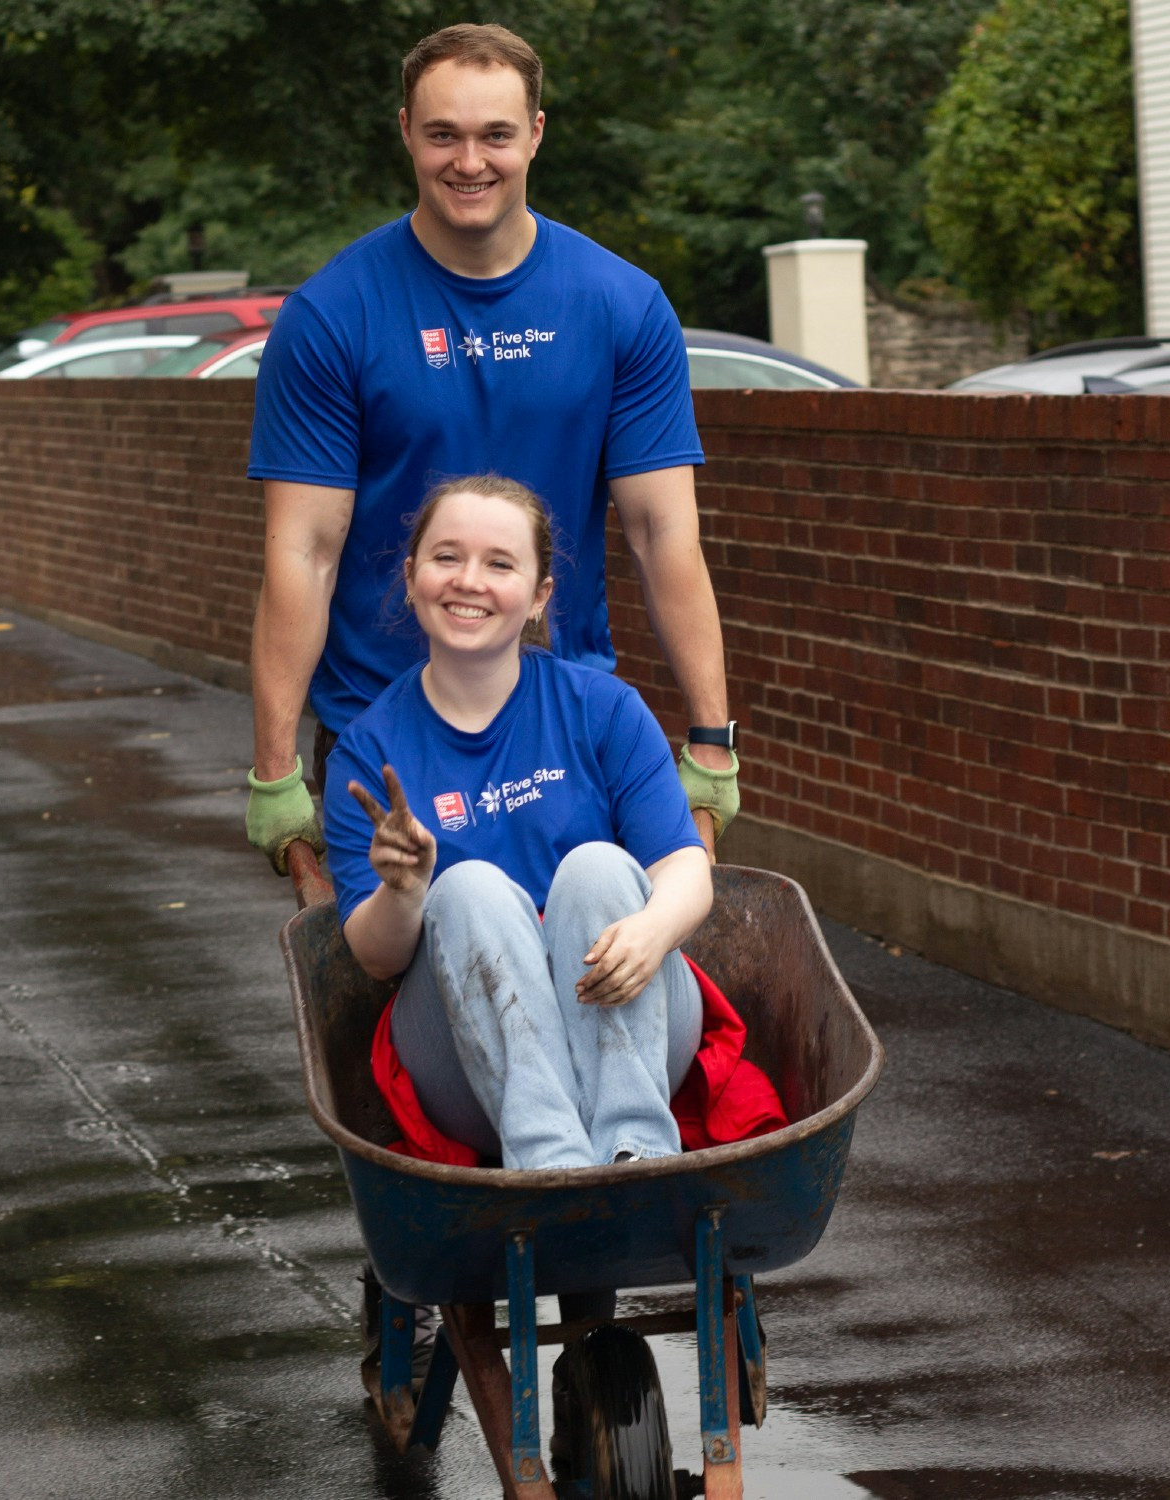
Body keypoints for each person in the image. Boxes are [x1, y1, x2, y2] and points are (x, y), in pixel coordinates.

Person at [245, 21, 739, 873]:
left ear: (536, 134)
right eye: (442, 134)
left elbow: (664, 535)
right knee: (400, 993)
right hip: (382, 732)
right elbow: (304, 550)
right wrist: (275, 770)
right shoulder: (332, 317)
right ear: (406, 130)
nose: (468, 161)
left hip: (567, 718)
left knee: (588, 968)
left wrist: (710, 739)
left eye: (495, 135)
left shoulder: (621, 306)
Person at [324, 475, 714, 1170]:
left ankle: (636, 1155)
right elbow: (377, 958)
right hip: (469, 1058)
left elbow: (686, 868)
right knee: (466, 885)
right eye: (446, 558)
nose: (469, 581)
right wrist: (408, 890)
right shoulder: (369, 749)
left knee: (596, 868)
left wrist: (652, 931)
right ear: (412, 579)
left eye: (500, 564)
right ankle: (551, 1168)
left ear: (538, 597)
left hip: (627, 1024)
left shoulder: (604, 709)